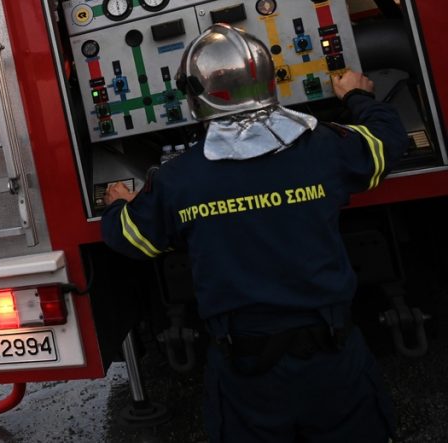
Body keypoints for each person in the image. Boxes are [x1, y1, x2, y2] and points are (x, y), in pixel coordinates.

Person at [100, 22, 408, 442]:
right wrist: (357, 96)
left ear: (195, 97)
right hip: (333, 354)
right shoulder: (321, 148)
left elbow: (131, 238)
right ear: (269, 80)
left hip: (245, 368)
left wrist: (118, 204)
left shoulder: (178, 181)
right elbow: (386, 143)